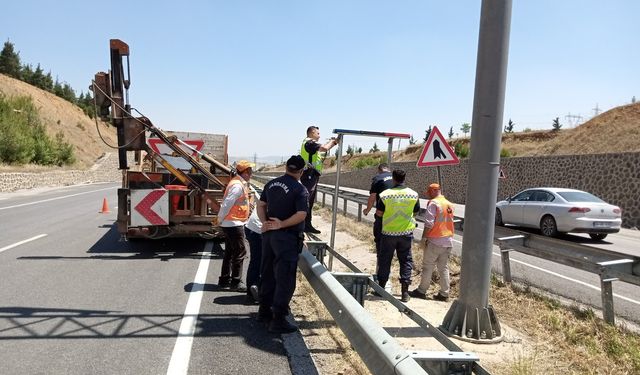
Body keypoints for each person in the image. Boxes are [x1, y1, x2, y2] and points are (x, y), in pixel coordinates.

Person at [256, 155, 309, 333]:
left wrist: (265, 223)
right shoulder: (300, 189)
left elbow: (261, 204)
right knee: (285, 279)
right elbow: (301, 215)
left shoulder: (271, 184)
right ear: (301, 171)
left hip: (269, 236)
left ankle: (263, 311)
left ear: (286, 167)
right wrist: (282, 224)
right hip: (286, 238)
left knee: (267, 273)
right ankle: (278, 319)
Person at [375, 169, 420, 302]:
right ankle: (405, 293)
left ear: (393, 179)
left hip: (388, 233)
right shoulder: (413, 194)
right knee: (406, 261)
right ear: (404, 178)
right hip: (406, 234)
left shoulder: (385, 195)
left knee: (385, 260)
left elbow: (379, 213)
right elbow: (416, 212)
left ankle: (381, 289)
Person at [409, 183, 455, 302]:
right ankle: (444, 293)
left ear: (434, 191)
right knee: (443, 268)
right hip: (448, 240)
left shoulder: (433, 203)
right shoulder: (448, 204)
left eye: (429, 192)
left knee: (427, 266)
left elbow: (429, 223)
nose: (428, 195)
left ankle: (421, 290)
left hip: (435, 240)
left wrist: (424, 238)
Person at [217, 160, 254, 292]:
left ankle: (224, 279)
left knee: (230, 252)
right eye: (250, 171)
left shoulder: (238, 183)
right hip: (234, 223)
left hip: (231, 222)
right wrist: (219, 219)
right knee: (240, 252)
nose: (251, 174)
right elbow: (226, 204)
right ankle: (236, 282)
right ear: (243, 172)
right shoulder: (237, 186)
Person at [300, 125, 339, 233]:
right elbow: (325, 148)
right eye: (318, 133)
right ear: (312, 133)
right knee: (306, 200)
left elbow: (322, 150)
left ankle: (307, 225)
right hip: (309, 175)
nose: (319, 136)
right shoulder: (309, 142)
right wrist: (334, 142)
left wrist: (332, 142)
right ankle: (300, 225)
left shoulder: (310, 144)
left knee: (310, 201)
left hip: (312, 175)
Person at [362, 163, 394, 270]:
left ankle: (381, 269)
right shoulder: (396, 176)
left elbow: (372, 197)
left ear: (379, 170)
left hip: (382, 214)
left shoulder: (378, 178)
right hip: (398, 216)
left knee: (380, 240)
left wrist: (367, 210)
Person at [244, 197, 262, 304]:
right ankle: (257, 287)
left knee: (255, 261)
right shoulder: (294, 190)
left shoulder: (273, 187)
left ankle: (251, 290)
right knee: (264, 261)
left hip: (251, 226)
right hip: (259, 229)